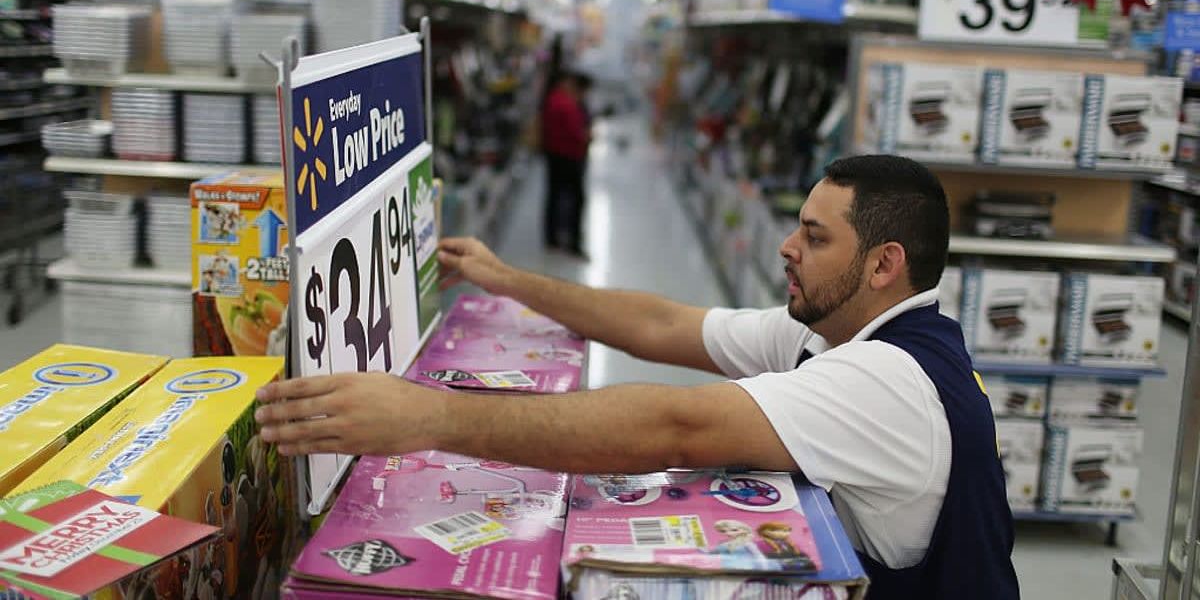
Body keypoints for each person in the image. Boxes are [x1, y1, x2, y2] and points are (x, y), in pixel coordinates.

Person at [255, 155, 1020, 599]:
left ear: (885, 265)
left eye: (815, 237)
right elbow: (662, 325)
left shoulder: (882, 382)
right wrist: (511, 279)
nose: (787, 247)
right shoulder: (835, 332)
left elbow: (672, 427)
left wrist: (427, 417)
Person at [540, 71, 592, 256]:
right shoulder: (563, 102)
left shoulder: (555, 99)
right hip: (567, 156)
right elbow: (577, 132)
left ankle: (553, 238)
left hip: (556, 154)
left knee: (555, 196)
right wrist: (586, 136)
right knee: (576, 198)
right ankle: (572, 242)